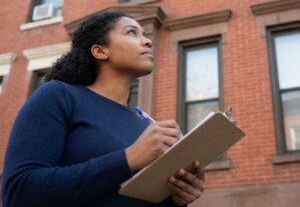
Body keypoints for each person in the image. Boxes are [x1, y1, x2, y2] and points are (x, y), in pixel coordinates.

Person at [1, 11, 205, 207]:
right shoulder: (57, 95)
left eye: (144, 34)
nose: (147, 41)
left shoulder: (144, 124)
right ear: (100, 51)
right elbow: (19, 192)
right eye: (132, 32)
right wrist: (128, 158)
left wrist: (177, 198)